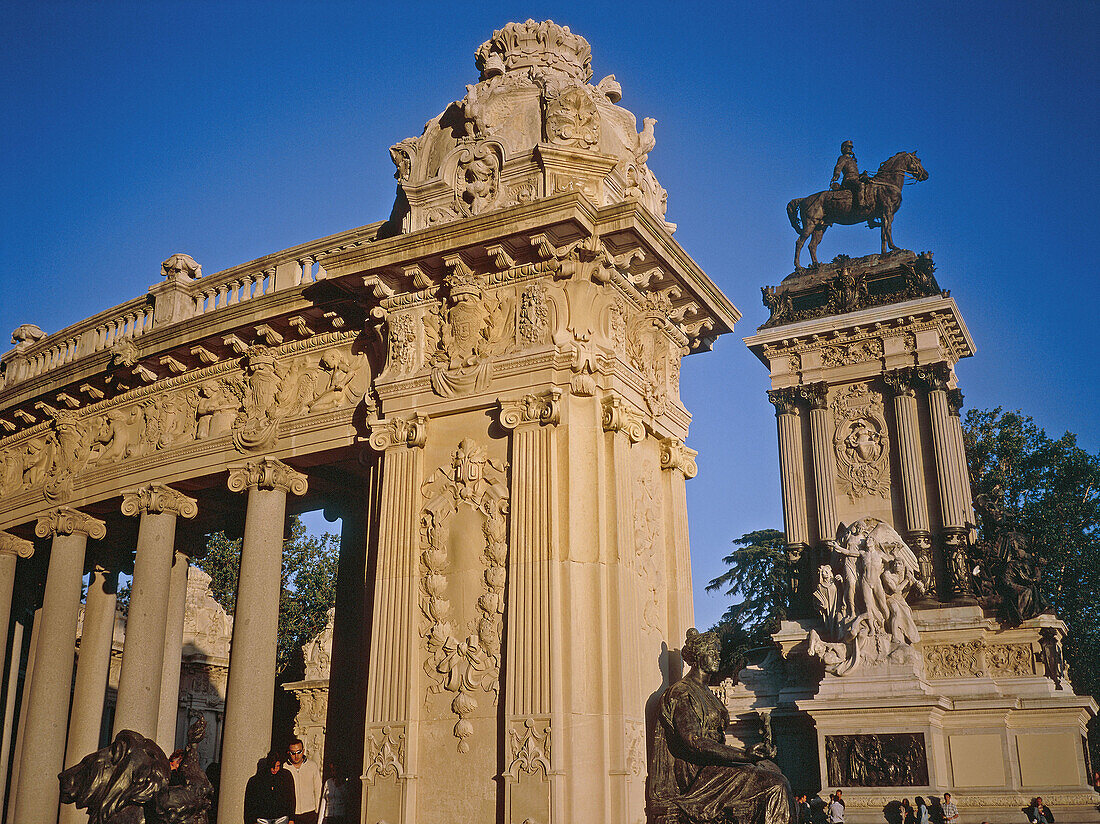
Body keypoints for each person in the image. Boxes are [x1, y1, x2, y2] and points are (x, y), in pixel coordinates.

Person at [648, 628, 794, 823]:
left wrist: (752, 755)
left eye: (718, 651)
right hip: (697, 771)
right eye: (712, 652)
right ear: (698, 656)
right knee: (776, 784)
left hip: (714, 765)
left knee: (772, 769)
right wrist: (742, 755)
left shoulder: (706, 692)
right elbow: (693, 741)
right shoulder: (682, 692)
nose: (717, 656)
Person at [244, 751, 296, 824]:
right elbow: (250, 802)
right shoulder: (257, 780)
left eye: (278, 766)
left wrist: (291, 819)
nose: (275, 769)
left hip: (281, 818)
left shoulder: (286, 776)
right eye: (273, 766)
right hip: (262, 819)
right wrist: (252, 820)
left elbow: (291, 798)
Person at [284, 738, 322, 824]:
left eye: (299, 752)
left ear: (303, 751)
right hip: (292, 814)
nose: (296, 756)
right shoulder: (284, 767)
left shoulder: (312, 766)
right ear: (288, 752)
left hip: (310, 813)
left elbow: (318, 790)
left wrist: (317, 811)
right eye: (293, 753)